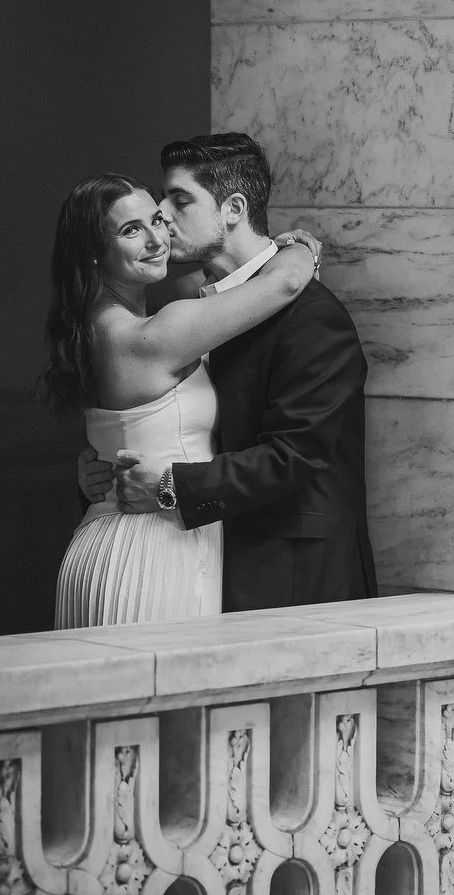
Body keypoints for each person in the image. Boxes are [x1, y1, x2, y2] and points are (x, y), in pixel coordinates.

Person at [78, 133, 378, 612]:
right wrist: (102, 470)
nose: (162, 217)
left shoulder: (311, 315)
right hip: (193, 560)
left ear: (233, 208)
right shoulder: (184, 308)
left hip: (291, 577)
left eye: (179, 201)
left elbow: (296, 455)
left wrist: (170, 486)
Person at [41, 172, 318, 625]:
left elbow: (210, 283)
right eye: (131, 230)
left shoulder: (98, 320)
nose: (156, 240)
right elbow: (284, 284)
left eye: (157, 220)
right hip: (148, 551)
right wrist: (302, 249)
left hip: (113, 537)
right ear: (93, 252)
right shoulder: (149, 334)